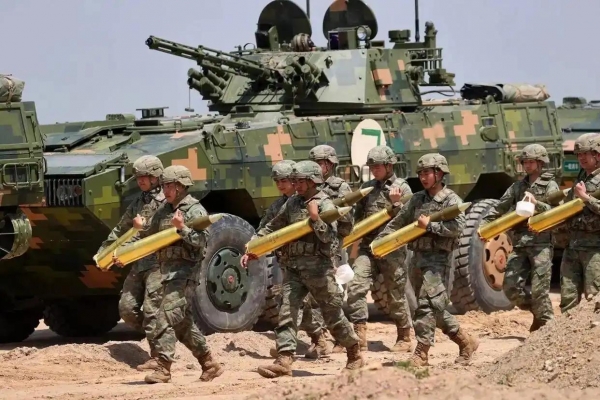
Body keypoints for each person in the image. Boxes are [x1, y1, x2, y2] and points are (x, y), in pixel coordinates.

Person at [242, 160, 363, 378]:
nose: (295, 184)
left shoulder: (325, 204)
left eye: (299, 181)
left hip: (319, 270)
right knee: (287, 312)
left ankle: (354, 353)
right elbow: (273, 226)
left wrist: (315, 218)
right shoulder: (292, 203)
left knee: (333, 315)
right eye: (294, 181)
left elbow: (330, 238)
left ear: (312, 181)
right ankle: (284, 359)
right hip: (294, 269)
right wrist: (253, 246)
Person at [375, 153, 478, 367]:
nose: (423, 177)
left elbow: (457, 227)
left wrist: (431, 226)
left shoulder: (450, 200)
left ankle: (421, 352)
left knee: (427, 305)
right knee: (433, 308)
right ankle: (465, 341)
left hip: (439, 261)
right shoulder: (417, 199)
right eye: (420, 173)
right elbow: (399, 221)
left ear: (439, 173)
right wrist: (382, 240)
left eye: (427, 173)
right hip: (417, 258)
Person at [134, 165, 223, 384]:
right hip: (166, 272)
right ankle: (209, 363)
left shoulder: (194, 210)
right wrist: (139, 228)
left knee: (165, 315)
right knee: (182, 324)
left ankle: (163, 368)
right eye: (163, 186)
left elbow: (202, 241)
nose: (165, 190)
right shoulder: (164, 210)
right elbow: (150, 235)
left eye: (169, 186)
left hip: (185, 274)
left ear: (181, 186)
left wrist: (182, 228)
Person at [337, 145, 413, 354]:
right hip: (367, 248)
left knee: (395, 294)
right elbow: (357, 219)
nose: (374, 170)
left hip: (391, 248)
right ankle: (359, 337)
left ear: (389, 166)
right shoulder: (368, 188)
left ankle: (404, 336)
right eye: (371, 167)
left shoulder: (402, 188)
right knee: (356, 287)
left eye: (377, 166)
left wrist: (397, 204)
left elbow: (409, 220)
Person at [97, 155, 165, 371]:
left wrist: (141, 229)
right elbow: (121, 229)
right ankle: (165, 335)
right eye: (138, 177)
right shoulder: (139, 202)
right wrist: (105, 251)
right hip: (139, 262)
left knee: (152, 309)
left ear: (156, 177)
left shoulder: (169, 201)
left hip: (161, 262)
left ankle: (159, 356)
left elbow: (167, 231)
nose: (141, 181)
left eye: (145, 176)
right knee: (127, 309)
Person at [480, 144, 558, 332]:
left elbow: (557, 211)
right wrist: (484, 227)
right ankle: (538, 311)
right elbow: (499, 208)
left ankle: (549, 328)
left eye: (531, 162)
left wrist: (536, 203)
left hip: (541, 244)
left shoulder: (550, 185)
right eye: (525, 162)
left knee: (540, 290)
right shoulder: (517, 187)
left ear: (540, 163)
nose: (527, 165)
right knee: (510, 287)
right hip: (520, 244)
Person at [559, 133, 600, 313]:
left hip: (594, 250)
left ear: (597, 154)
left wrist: (585, 197)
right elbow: (566, 206)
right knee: (568, 300)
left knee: (595, 299)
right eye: (579, 154)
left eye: (585, 153)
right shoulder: (582, 176)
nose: (581, 158)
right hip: (573, 246)